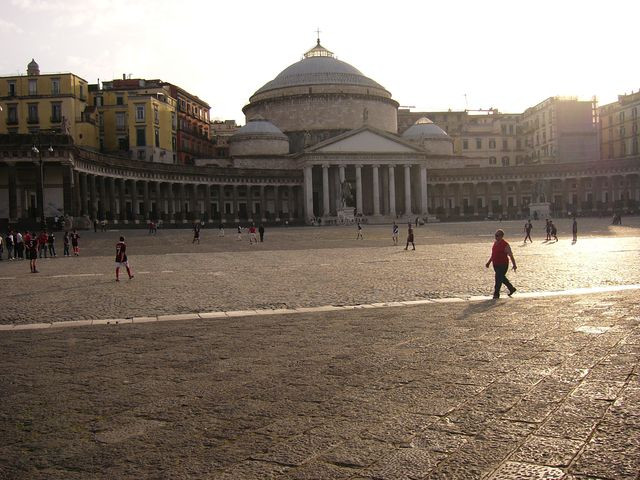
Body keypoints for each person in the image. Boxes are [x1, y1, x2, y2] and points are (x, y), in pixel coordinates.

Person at [485, 229, 517, 299]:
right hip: (495, 264)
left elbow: (511, 255)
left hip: (503, 264)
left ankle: (496, 294)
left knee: (498, 278)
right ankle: (511, 288)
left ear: (501, 236)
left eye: (497, 235)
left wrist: (514, 265)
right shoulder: (495, 243)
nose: (495, 237)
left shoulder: (505, 244)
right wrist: (489, 262)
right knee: (502, 278)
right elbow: (493, 254)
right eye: (495, 235)